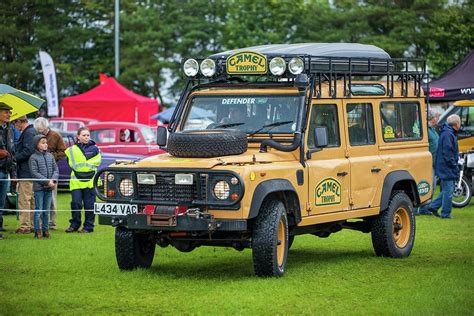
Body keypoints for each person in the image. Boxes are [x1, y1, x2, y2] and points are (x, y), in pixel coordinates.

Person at [65, 127, 101, 233]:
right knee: (76, 203)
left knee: (89, 205)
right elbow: (71, 163)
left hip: (90, 181)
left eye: (88, 135)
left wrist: (84, 163)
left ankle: (88, 227)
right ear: (78, 137)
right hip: (76, 181)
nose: (86, 137)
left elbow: (96, 162)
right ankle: (74, 224)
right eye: (84, 135)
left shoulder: (95, 148)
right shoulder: (71, 149)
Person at [33, 117, 66, 230]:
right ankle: (41, 223)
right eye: (39, 131)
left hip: (52, 171)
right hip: (40, 172)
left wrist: (52, 157)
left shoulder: (56, 135)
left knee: (52, 198)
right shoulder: (36, 136)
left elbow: (63, 152)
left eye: (42, 130)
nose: (41, 132)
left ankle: (52, 222)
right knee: (39, 198)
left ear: (47, 127)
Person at [426, 114, 461, 219]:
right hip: (447, 167)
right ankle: (446, 214)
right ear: (456, 124)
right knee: (449, 191)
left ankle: (433, 206)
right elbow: (447, 153)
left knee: (446, 190)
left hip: (444, 166)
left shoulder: (448, 132)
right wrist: (454, 165)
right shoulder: (448, 134)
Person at [29, 135, 58, 239]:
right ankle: (37, 231)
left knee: (46, 211)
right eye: (42, 142)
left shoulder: (50, 156)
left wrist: (53, 180)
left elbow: (56, 169)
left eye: (46, 142)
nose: (45, 144)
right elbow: (34, 173)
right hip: (39, 189)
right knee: (38, 210)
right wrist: (47, 181)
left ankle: (46, 231)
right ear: (36, 144)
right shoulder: (33, 158)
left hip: (49, 188)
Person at [13, 115, 37, 234]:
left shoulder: (28, 133)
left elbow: (28, 151)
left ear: (19, 121)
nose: (14, 126)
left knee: (24, 199)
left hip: (26, 171)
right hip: (31, 171)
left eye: (15, 123)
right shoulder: (32, 131)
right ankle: (32, 224)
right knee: (31, 199)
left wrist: (14, 158)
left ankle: (24, 226)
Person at [417, 110, 440, 215]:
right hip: (427, 163)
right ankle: (420, 209)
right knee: (426, 186)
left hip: (434, 163)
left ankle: (425, 208)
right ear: (432, 118)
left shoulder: (432, 129)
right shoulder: (425, 129)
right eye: (437, 117)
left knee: (432, 186)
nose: (438, 119)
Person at [0, 102, 15, 240]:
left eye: (9, 112)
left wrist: (13, 174)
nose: (9, 114)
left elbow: (12, 152)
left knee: (1, 203)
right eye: (6, 111)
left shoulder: (8, 130)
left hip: (5, 170)